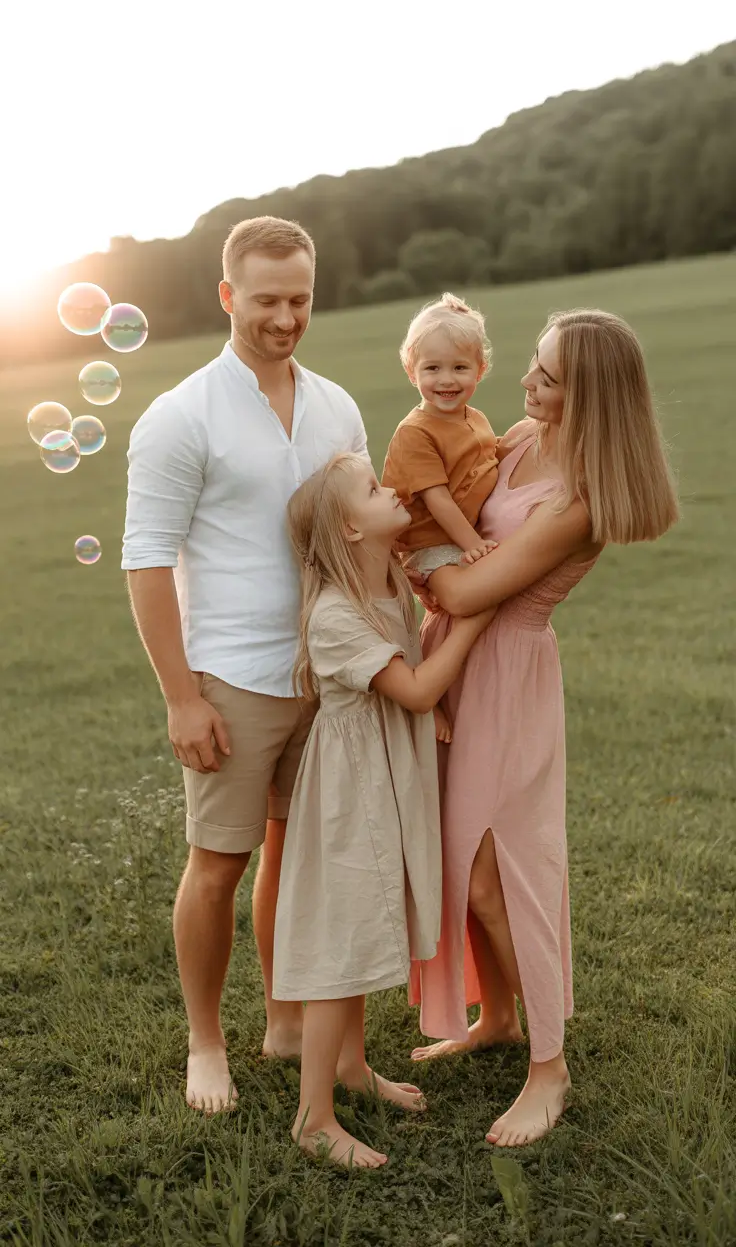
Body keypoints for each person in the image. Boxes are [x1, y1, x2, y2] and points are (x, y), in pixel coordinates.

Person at [408, 309, 679, 1147]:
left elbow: (463, 594)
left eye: (550, 375)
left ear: (589, 394)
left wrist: (424, 572)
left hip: (509, 674)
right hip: (458, 664)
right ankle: (496, 1020)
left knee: (510, 869)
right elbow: (443, 507)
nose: (526, 381)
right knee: (465, 854)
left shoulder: (580, 502)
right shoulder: (522, 436)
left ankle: (549, 1069)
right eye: (533, 362)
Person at [122, 216, 370, 1115]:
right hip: (232, 676)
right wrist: (183, 699)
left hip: (331, 676)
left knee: (301, 857)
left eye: (300, 298)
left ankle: (286, 1024)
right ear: (228, 296)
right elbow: (146, 562)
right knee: (218, 865)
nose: (285, 316)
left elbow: (361, 528)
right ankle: (205, 1042)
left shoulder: (338, 405)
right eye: (266, 299)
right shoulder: (180, 415)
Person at [272, 453, 495, 1167]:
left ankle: (350, 1068)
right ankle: (313, 1118)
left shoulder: (389, 591)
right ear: (349, 526)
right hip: (350, 797)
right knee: (344, 939)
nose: (392, 488)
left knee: (370, 924)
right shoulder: (336, 616)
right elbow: (420, 690)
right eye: (373, 489)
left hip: (383, 783)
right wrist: (478, 610)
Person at [382, 294, 500, 741]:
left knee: (449, 617)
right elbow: (438, 501)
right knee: (461, 599)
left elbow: (489, 457)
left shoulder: (476, 418)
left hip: (456, 538)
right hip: (426, 544)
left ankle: (449, 698)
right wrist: (472, 545)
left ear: (480, 370)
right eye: (432, 369)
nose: (446, 380)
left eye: (459, 368)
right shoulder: (416, 432)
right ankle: (428, 705)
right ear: (412, 372)